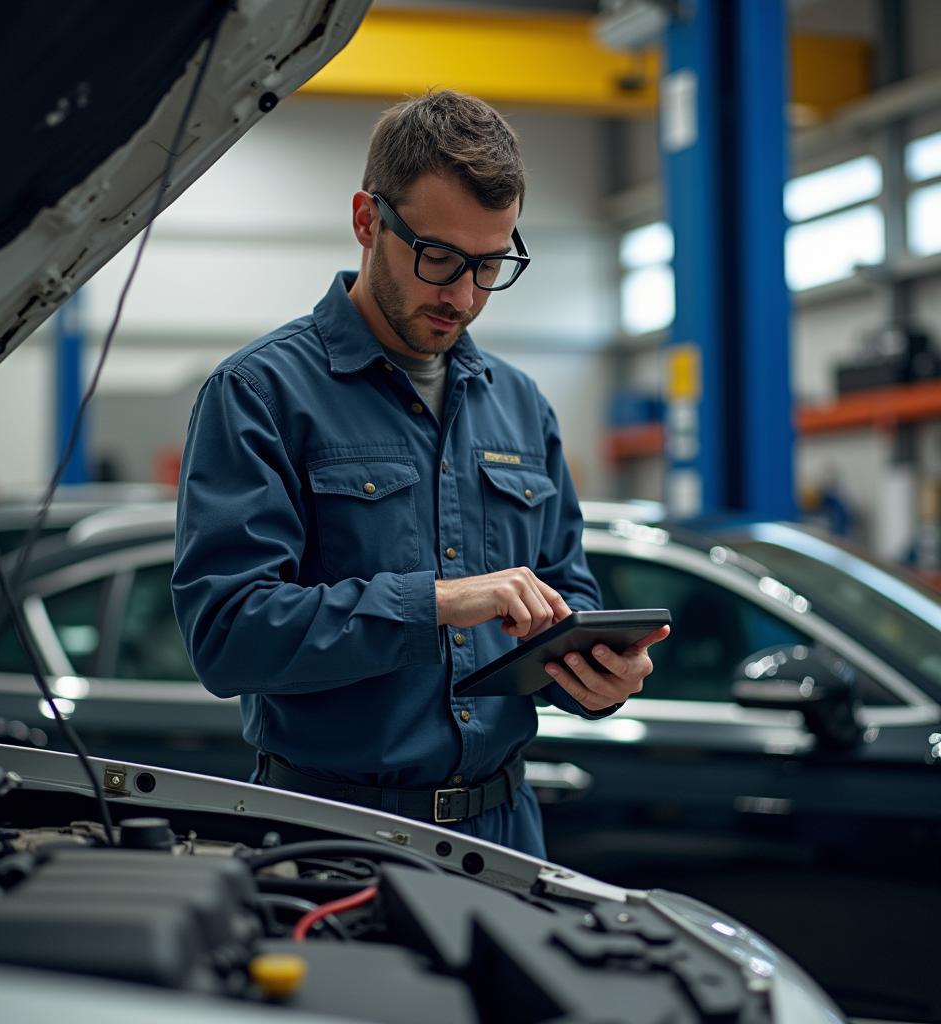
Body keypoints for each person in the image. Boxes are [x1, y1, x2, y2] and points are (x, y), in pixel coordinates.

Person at [172, 90, 668, 857]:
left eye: (491, 266)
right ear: (369, 221)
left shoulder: (520, 405)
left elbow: (569, 594)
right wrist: (435, 603)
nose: (464, 296)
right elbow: (228, 634)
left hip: (505, 832)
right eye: (439, 259)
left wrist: (598, 676)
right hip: (331, 837)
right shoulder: (259, 394)